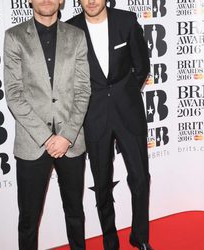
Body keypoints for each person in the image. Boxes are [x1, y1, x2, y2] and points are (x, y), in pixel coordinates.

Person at [4, 0, 91, 249]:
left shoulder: (76, 36)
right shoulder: (15, 37)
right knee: (29, 219)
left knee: (75, 213)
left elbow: (83, 90)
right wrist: (46, 137)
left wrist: (67, 135)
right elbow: (14, 94)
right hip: (32, 143)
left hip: (71, 141)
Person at [67, 1, 152, 249]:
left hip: (129, 114)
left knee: (140, 177)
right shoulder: (71, 29)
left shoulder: (126, 21)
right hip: (93, 117)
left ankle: (141, 238)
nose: (92, 1)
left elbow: (142, 65)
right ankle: (110, 239)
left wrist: (123, 95)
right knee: (102, 182)